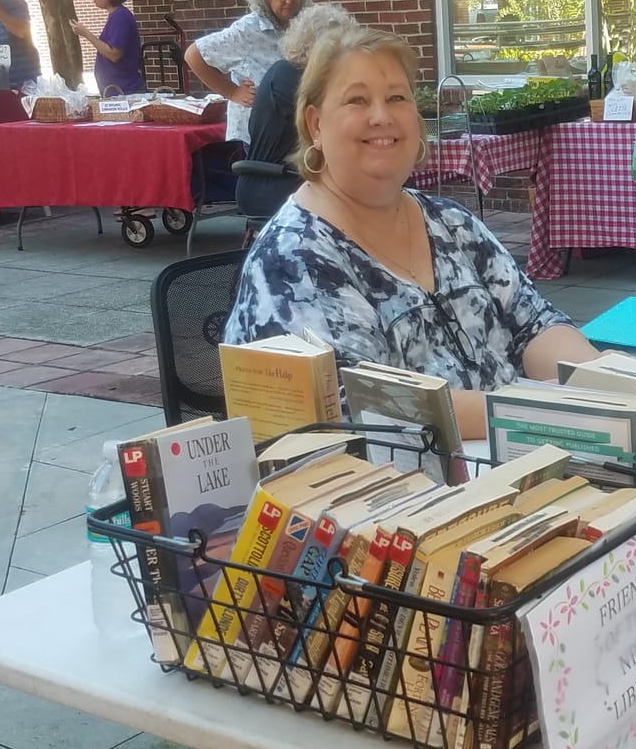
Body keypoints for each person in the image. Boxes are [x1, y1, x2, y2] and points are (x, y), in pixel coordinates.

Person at [225, 23, 595, 441]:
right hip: (393, 491)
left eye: (397, 98)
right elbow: (370, 409)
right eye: (357, 100)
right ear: (316, 125)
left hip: (511, 453)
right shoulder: (292, 261)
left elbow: (534, 325)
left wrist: (600, 383)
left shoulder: (450, 223)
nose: (382, 116)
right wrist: (538, 413)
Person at [238, 1, 356, 219]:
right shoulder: (287, 75)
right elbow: (333, 125)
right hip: (271, 182)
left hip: (296, 177)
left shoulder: (312, 79)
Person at [184, 0, 311, 144]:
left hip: (294, 131)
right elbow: (193, 54)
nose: (289, 0)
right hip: (256, 137)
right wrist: (231, 91)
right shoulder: (247, 30)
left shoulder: (306, 24)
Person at [70, 0, 145, 95]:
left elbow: (114, 54)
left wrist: (86, 34)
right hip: (116, 91)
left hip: (125, 91)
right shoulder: (115, 16)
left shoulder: (120, 16)